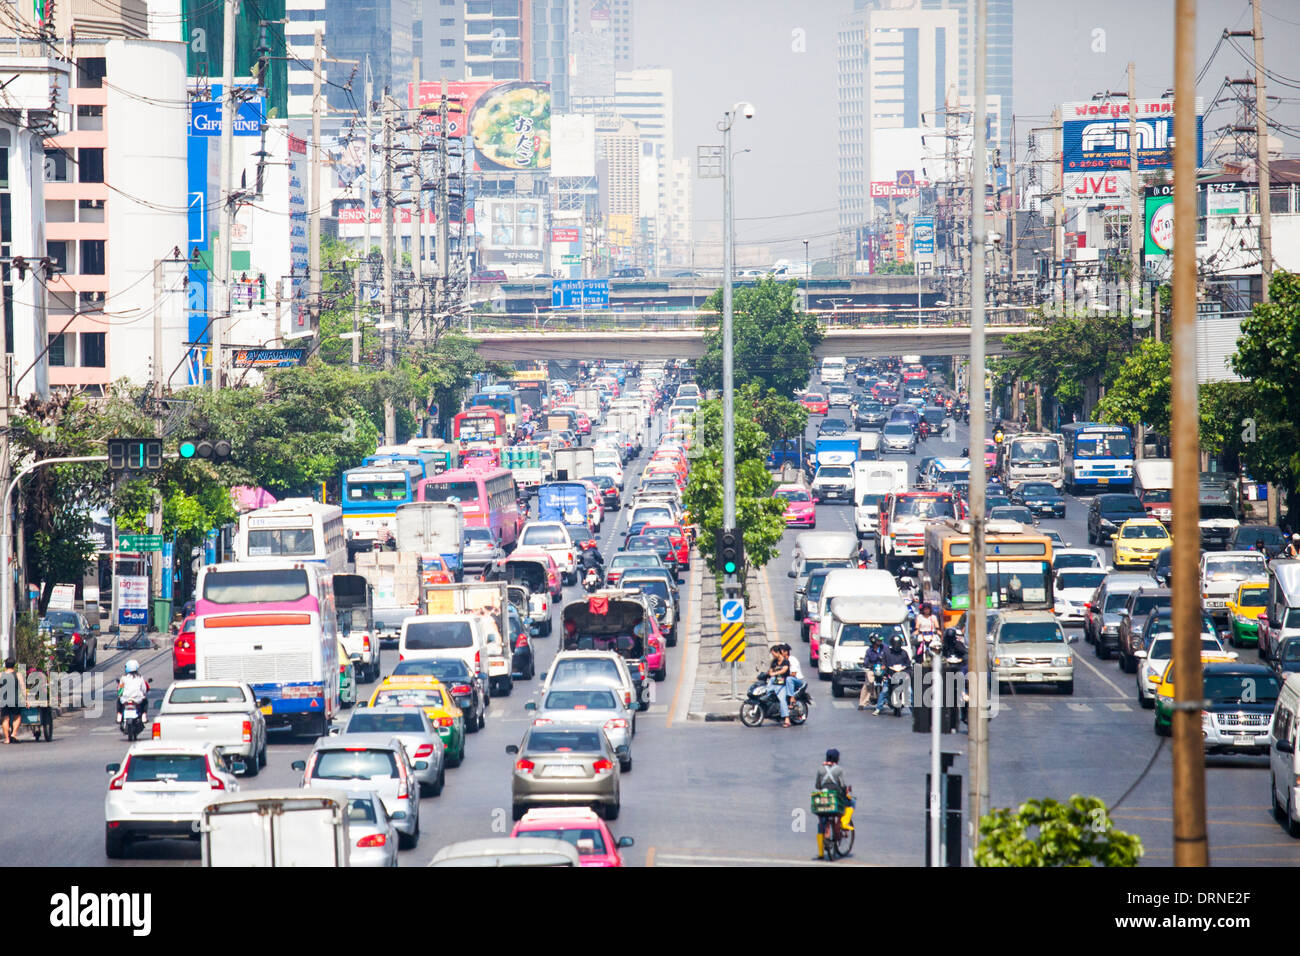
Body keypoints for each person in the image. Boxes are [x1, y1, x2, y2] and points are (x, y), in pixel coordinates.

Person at [813, 748, 854, 859]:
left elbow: (817, 786)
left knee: (824, 820)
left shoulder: (820, 769)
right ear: (837, 758)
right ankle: (842, 825)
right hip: (835, 799)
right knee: (850, 804)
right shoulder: (839, 770)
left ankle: (823, 848)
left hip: (824, 800)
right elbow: (842, 785)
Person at [874, 634, 912, 716]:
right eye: (895, 644)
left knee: (909, 692)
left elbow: (908, 665)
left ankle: (914, 711)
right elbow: (883, 664)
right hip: (890, 675)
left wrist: (907, 673)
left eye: (898, 644)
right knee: (884, 691)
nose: (897, 646)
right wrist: (884, 670)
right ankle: (878, 708)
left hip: (902, 676)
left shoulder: (904, 653)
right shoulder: (887, 653)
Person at [765, 644, 793, 728]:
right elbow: (770, 671)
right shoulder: (774, 662)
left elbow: (784, 670)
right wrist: (769, 673)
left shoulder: (785, 661)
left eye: (773, 653)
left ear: (777, 653)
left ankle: (787, 719)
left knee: (782, 700)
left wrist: (775, 673)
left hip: (783, 685)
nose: (772, 655)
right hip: (775, 684)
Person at [116, 659, 150, 726]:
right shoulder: (140, 678)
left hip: (125, 699)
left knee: (118, 701)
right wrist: (143, 694)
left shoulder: (123, 678)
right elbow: (144, 689)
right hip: (137, 699)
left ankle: (119, 715)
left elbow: (120, 690)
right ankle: (144, 716)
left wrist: (120, 695)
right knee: (145, 701)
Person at [859, 634, 886, 711]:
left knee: (890, 681)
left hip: (883, 669)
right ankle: (862, 703)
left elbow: (889, 657)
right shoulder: (869, 651)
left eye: (881, 640)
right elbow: (866, 661)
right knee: (868, 682)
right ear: (873, 641)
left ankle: (891, 700)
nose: (880, 641)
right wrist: (868, 664)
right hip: (872, 669)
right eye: (878, 640)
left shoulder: (885, 648)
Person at [1, 658, 25, 743]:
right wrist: (26, 700)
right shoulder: (18, 674)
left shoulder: (1, 675)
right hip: (14, 699)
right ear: (14, 665)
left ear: (5, 665)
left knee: (5, 719)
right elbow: (22, 687)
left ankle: (7, 739)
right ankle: (14, 733)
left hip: (4, 699)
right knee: (17, 716)